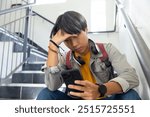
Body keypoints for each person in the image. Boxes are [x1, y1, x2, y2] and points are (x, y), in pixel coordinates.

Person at [37, 11, 141, 100]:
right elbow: (52, 86)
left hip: (104, 100)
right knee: (46, 94)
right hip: (77, 103)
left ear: (86, 29)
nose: (74, 44)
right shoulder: (64, 58)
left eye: (76, 36)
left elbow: (131, 76)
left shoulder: (106, 49)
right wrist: (53, 47)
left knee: (131, 95)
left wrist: (101, 90)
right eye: (67, 40)